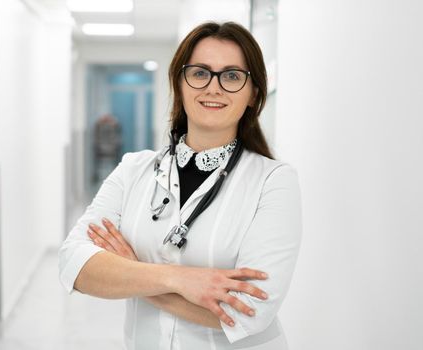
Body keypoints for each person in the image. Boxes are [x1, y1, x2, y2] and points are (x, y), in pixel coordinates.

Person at [58, 21, 302, 350]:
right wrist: (179, 279)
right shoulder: (133, 169)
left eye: (232, 76)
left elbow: (250, 312)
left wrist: (132, 271)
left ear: (253, 93)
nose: (213, 87)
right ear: (180, 83)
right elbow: (74, 265)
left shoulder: (274, 181)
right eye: (200, 73)